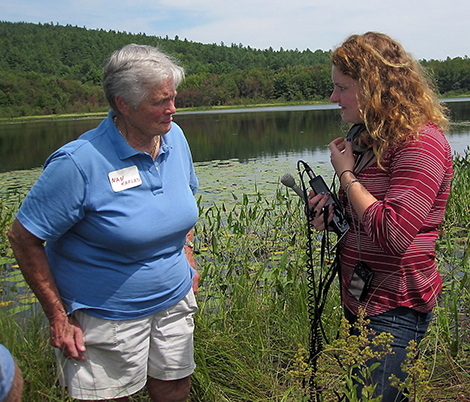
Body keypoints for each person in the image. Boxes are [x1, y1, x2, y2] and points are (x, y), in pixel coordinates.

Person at [8, 43, 200, 401]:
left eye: (173, 97)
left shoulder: (175, 137)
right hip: (105, 316)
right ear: (123, 104)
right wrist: (58, 317)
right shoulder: (79, 163)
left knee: (175, 386)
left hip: (174, 301)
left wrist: (186, 252)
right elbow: (23, 238)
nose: (172, 109)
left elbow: (185, 201)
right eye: (160, 101)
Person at [308, 32, 453, 401]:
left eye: (342, 88)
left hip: (396, 309)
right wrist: (330, 212)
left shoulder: (421, 143)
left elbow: (393, 233)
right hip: (361, 302)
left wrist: (345, 174)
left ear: (373, 87)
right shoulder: (369, 141)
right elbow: (362, 215)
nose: (333, 98)